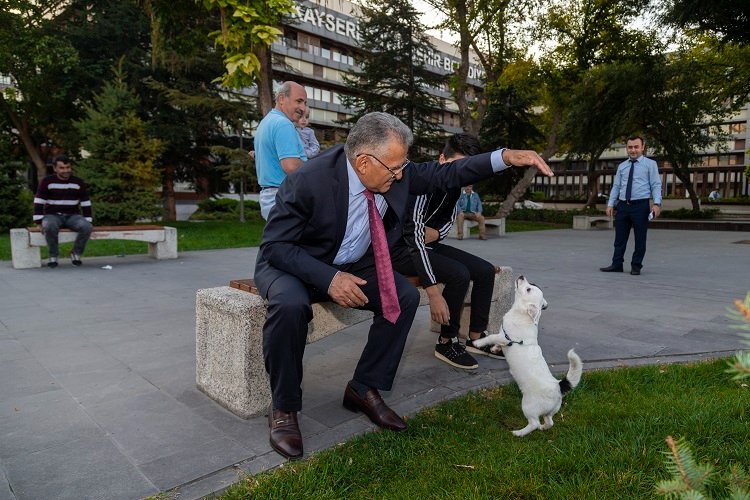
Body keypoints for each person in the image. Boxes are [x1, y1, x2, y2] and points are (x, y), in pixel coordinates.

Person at [253, 111, 553, 460]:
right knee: (289, 307)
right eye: (394, 168)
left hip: (352, 261)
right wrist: (329, 278)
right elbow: (275, 246)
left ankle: (364, 388)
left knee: (404, 297)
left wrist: (504, 158)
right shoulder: (308, 180)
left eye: (402, 167)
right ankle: (285, 409)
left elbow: (448, 173)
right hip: (294, 261)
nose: (400, 176)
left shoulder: (392, 171)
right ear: (363, 162)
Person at [391, 133, 501, 371]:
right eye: (458, 165)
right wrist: (433, 293)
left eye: (468, 168)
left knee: (483, 271)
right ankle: (446, 341)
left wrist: (433, 233)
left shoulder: (456, 187)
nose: (462, 173)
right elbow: (413, 238)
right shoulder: (422, 182)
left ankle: (476, 337)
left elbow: (446, 224)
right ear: (442, 159)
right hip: (400, 251)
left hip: (425, 244)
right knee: (458, 273)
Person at [600, 135, 662, 276]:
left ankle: (636, 265)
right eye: (630, 147)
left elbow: (656, 185)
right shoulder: (622, 166)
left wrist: (657, 203)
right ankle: (617, 264)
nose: (633, 150)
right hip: (623, 206)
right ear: (626, 148)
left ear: (642, 147)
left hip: (641, 206)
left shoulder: (650, 164)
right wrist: (610, 204)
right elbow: (616, 186)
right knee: (619, 238)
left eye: (636, 147)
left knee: (640, 238)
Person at [254, 81, 308, 219]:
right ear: (282, 99)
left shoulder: (266, 122)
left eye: (305, 103)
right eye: (299, 101)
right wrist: (316, 169)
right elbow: (291, 166)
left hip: (270, 198)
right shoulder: (283, 124)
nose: (303, 108)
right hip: (285, 198)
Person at [33, 155, 93, 268]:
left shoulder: (78, 182)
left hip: (72, 216)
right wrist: (38, 222)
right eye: (62, 168)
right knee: (49, 225)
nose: (66, 170)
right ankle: (53, 256)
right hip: (52, 215)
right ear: (55, 169)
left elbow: (85, 202)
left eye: (68, 167)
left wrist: (88, 220)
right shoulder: (47, 182)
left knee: (87, 227)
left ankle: (76, 253)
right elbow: (39, 201)